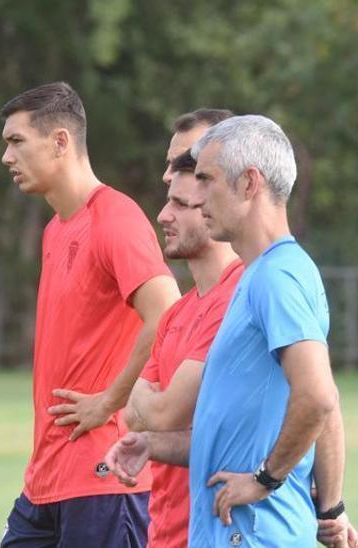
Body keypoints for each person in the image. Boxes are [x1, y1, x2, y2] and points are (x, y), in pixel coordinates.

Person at [105, 115, 358, 547]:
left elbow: (318, 397)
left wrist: (265, 479)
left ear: (248, 183)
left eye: (207, 179)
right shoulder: (256, 278)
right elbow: (234, 437)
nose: (198, 195)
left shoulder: (276, 277)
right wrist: (152, 444)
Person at [0, 82, 181, 547]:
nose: (6, 157)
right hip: (46, 477)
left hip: (102, 477)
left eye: (16, 141)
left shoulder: (115, 218)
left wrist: (109, 401)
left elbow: (166, 313)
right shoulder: (55, 230)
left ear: (60, 141)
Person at [123, 109, 241, 548]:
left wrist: (332, 506)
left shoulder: (247, 296)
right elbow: (136, 417)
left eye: (185, 164)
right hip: (164, 533)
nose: (162, 211)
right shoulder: (179, 311)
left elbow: (165, 413)